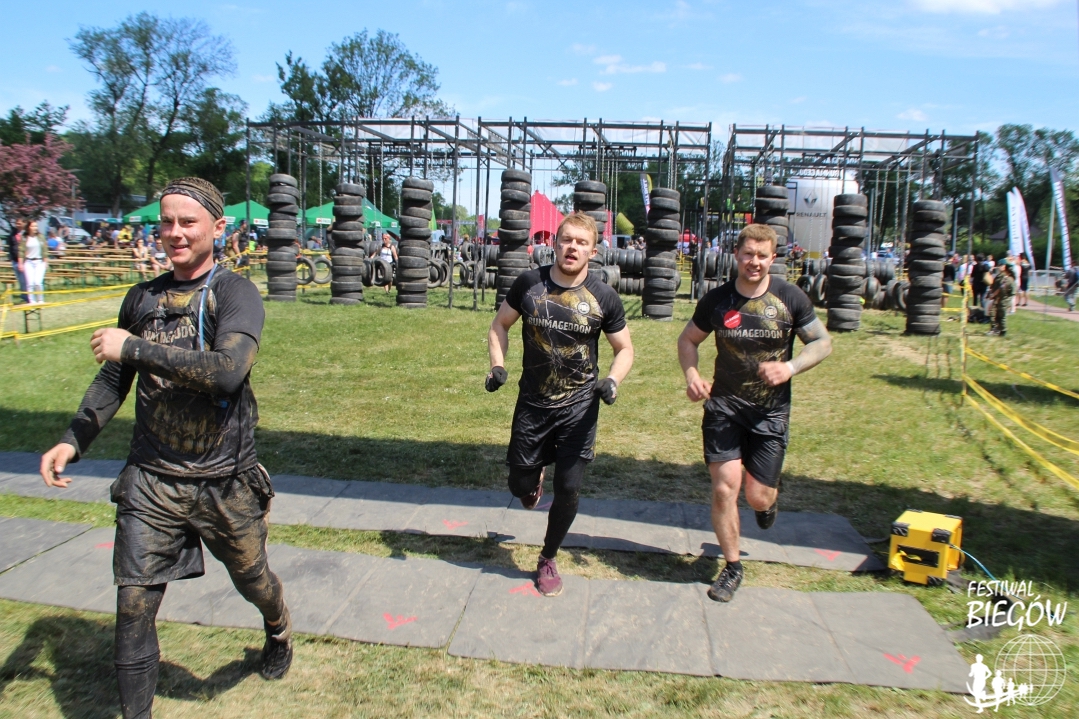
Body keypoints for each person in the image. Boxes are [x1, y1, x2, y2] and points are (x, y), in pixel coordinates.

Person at [38, 177, 294, 718]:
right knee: (133, 603)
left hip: (224, 480)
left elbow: (227, 372)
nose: (174, 233)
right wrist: (72, 440)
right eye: (166, 222)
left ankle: (277, 628)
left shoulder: (235, 294)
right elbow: (113, 380)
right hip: (153, 477)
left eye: (187, 222)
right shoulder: (143, 299)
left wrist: (133, 347)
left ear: (217, 228)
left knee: (254, 580)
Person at [677, 223, 832, 603]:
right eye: (748, 254)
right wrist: (692, 375)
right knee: (724, 487)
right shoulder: (717, 300)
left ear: (772, 258)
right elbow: (688, 339)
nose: (754, 262)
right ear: (737, 255)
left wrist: (790, 367)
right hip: (724, 407)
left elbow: (822, 342)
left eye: (762, 256)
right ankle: (732, 567)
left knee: (758, 497)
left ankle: (767, 502)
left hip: (770, 413)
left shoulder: (790, 297)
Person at [486, 212, 634, 597]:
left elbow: (625, 348)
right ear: (555, 243)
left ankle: (548, 557)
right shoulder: (529, 284)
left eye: (582, 243)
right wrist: (497, 366)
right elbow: (499, 325)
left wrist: (612, 380)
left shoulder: (603, 297)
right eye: (567, 239)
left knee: (569, 487)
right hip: (533, 404)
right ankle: (532, 478)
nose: (573, 248)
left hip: (579, 408)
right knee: (519, 486)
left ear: (593, 251)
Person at [20, 220, 47, 304]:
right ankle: (32, 301)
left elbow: (45, 250)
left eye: (36, 226)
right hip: (28, 262)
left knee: (38, 282)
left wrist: (45, 262)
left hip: (39, 261)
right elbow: (21, 251)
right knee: (30, 283)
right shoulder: (24, 237)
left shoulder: (40, 237)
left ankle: (40, 300)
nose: (35, 228)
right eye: (33, 226)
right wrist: (20, 263)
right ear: (29, 227)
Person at [987, 264, 1015, 337]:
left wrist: (994, 295)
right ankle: (997, 329)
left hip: (1003, 300)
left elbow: (1005, 290)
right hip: (1000, 299)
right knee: (995, 314)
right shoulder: (1006, 279)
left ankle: (1003, 331)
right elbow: (1000, 288)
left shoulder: (1008, 279)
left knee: (1001, 316)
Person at [6, 217, 28, 303]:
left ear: (24, 223)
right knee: (21, 280)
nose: (17, 225)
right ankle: (24, 296)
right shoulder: (13, 234)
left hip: (26, 261)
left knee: (26, 280)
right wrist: (11, 258)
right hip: (15, 261)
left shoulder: (27, 234)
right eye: (16, 223)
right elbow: (10, 247)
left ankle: (29, 296)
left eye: (19, 223)